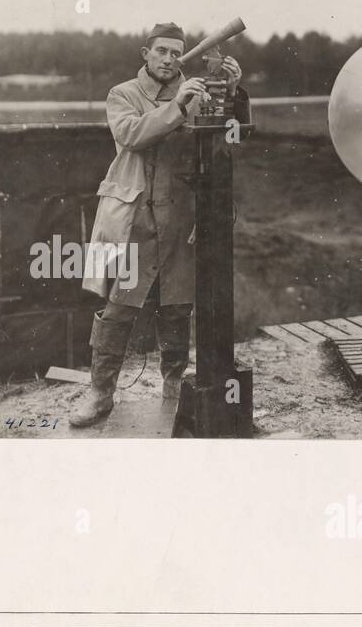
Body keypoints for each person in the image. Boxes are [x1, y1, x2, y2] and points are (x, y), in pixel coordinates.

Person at [69, 22, 247, 428]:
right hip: (132, 222)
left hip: (180, 220)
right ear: (145, 54)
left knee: (176, 309)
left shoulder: (199, 92)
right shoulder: (123, 94)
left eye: (176, 51)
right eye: (162, 51)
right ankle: (100, 395)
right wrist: (179, 107)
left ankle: (172, 392)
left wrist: (230, 95)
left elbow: (227, 143)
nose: (169, 59)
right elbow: (131, 135)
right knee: (117, 311)